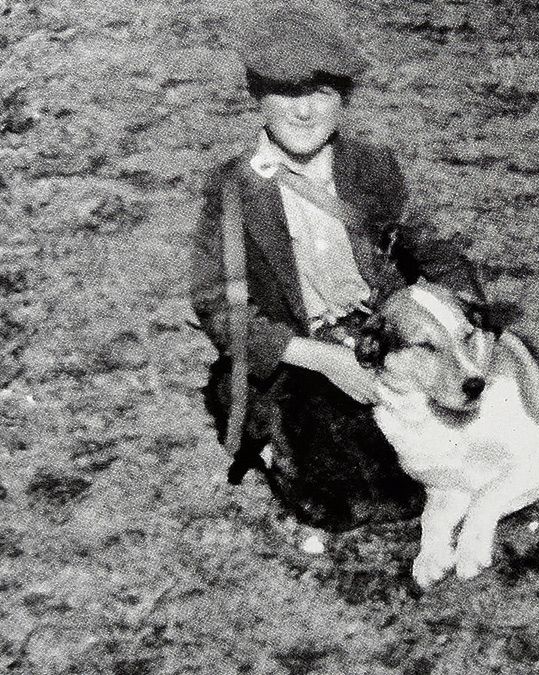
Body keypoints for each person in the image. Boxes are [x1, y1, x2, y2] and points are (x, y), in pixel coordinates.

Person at [189, 0, 484, 536]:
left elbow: (433, 246)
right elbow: (219, 309)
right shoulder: (232, 188)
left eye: (320, 92)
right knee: (358, 498)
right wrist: (323, 360)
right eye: (285, 92)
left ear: (344, 99)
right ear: (257, 97)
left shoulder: (372, 166)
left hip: (390, 335)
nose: (303, 112)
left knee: (469, 435)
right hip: (307, 354)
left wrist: (463, 315)